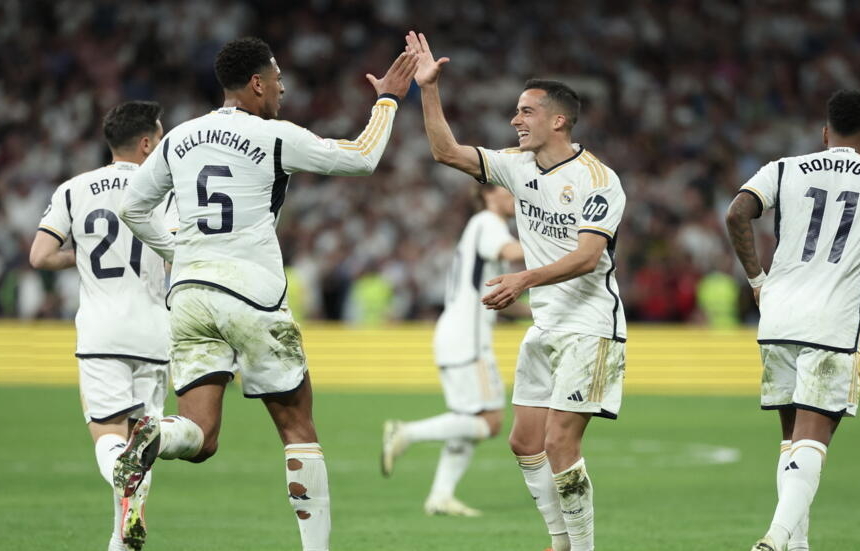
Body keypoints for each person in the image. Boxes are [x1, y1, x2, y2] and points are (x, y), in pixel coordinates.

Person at [113, 37, 416, 551]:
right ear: (257, 83)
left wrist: (178, 251)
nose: (282, 89)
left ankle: (155, 435)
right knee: (297, 424)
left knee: (199, 435)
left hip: (188, 293)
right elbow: (363, 158)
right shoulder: (274, 135)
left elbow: (133, 208)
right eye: (277, 80)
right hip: (251, 291)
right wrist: (387, 100)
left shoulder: (179, 137)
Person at [404, 31, 627, 551]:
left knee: (557, 441)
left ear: (558, 121)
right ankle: (560, 541)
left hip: (590, 326)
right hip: (546, 325)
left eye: (526, 112)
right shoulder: (517, 166)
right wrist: (428, 90)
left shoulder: (598, 179)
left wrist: (523, 278)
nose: (514, 120)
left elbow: (589, 255)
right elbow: (445, 151)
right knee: (523, 441)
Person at [725, 89, 860, 551]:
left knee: (790, 438)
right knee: (815, 436)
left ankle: (798, 545)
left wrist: (757, 279)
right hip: (831, 322)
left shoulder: (783, 168)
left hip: (778, 316)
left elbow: (738, 212)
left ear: (825, 133)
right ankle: (776, 540)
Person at [29, 100, 173, 551]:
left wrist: (85, 256)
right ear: (147, 142)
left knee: (111, 444)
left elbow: (39, 255)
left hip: (101, 334)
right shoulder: (167, 191)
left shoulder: (74, 189)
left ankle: (121, 477)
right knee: (139, 447)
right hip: (154, 333)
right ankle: (121, 542)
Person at [381, 185, 526, 517]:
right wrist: (556, 243)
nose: (515, 198)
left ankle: (440, 496)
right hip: (468, 340)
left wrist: (528, 312)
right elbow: (512, 253)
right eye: (510, 190)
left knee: (469, 421)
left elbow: (484, 294)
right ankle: (406, 432)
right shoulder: (489, 221)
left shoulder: (477, 226)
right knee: (490, 422)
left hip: (457, 334)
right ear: (490, 192)